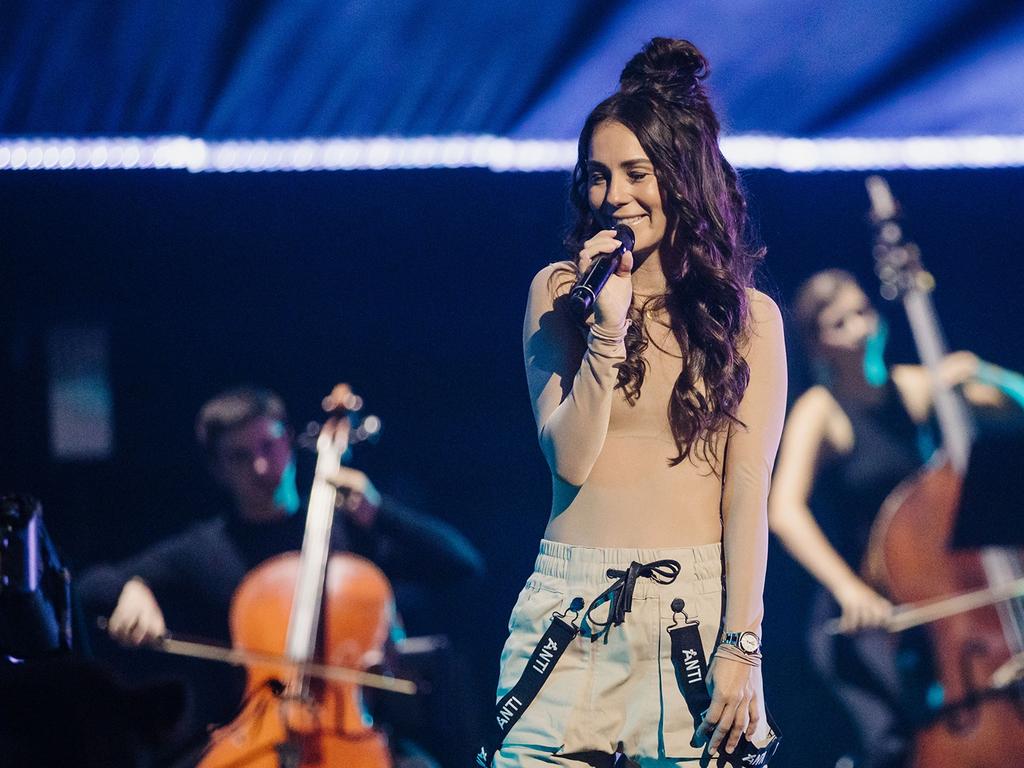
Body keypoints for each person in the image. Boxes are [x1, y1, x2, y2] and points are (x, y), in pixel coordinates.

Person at [487, 38, 786, 767]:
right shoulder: (560, 294)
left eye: (635, 173)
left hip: (688, 615)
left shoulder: (749, 319)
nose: (612, 195)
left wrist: (741, 647)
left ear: (681, 178)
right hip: (566, 610)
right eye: (596, 176)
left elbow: (747, 495)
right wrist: (607, 331)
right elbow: (569, 457)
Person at [77, 385, 484, 765]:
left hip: (358, 733)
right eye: (239, 456)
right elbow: (89, 585)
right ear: (217, 469)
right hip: (258, 737)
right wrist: (132, 588)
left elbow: (461, 563)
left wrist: (380, 511)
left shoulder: (343, 530)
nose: (260, 465)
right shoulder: (205, 550)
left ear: (289, 440)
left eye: (269, 446)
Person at [768, 268, 1023, 768]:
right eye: (841, 322)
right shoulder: (821, 411)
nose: (861, 328)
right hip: (869, 604)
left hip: (947, 595)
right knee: (890, 745)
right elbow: (784, 510)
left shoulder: (915, 386)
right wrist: (848, 588)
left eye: (864, 312)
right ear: (817, 346)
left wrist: (982, 372)